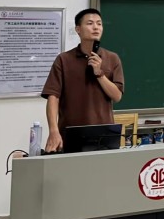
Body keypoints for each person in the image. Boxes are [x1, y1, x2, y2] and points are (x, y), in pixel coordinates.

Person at [41, 8, 124, 152]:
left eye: (99, 23)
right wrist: (53, 130)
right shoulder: (64, 60)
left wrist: (99, 74)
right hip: (71, 132)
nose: (96, 27)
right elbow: (53, 96)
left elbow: (117, 96)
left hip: (104, 133)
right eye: (90, 23)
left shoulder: (112, 58)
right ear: (78, 29)